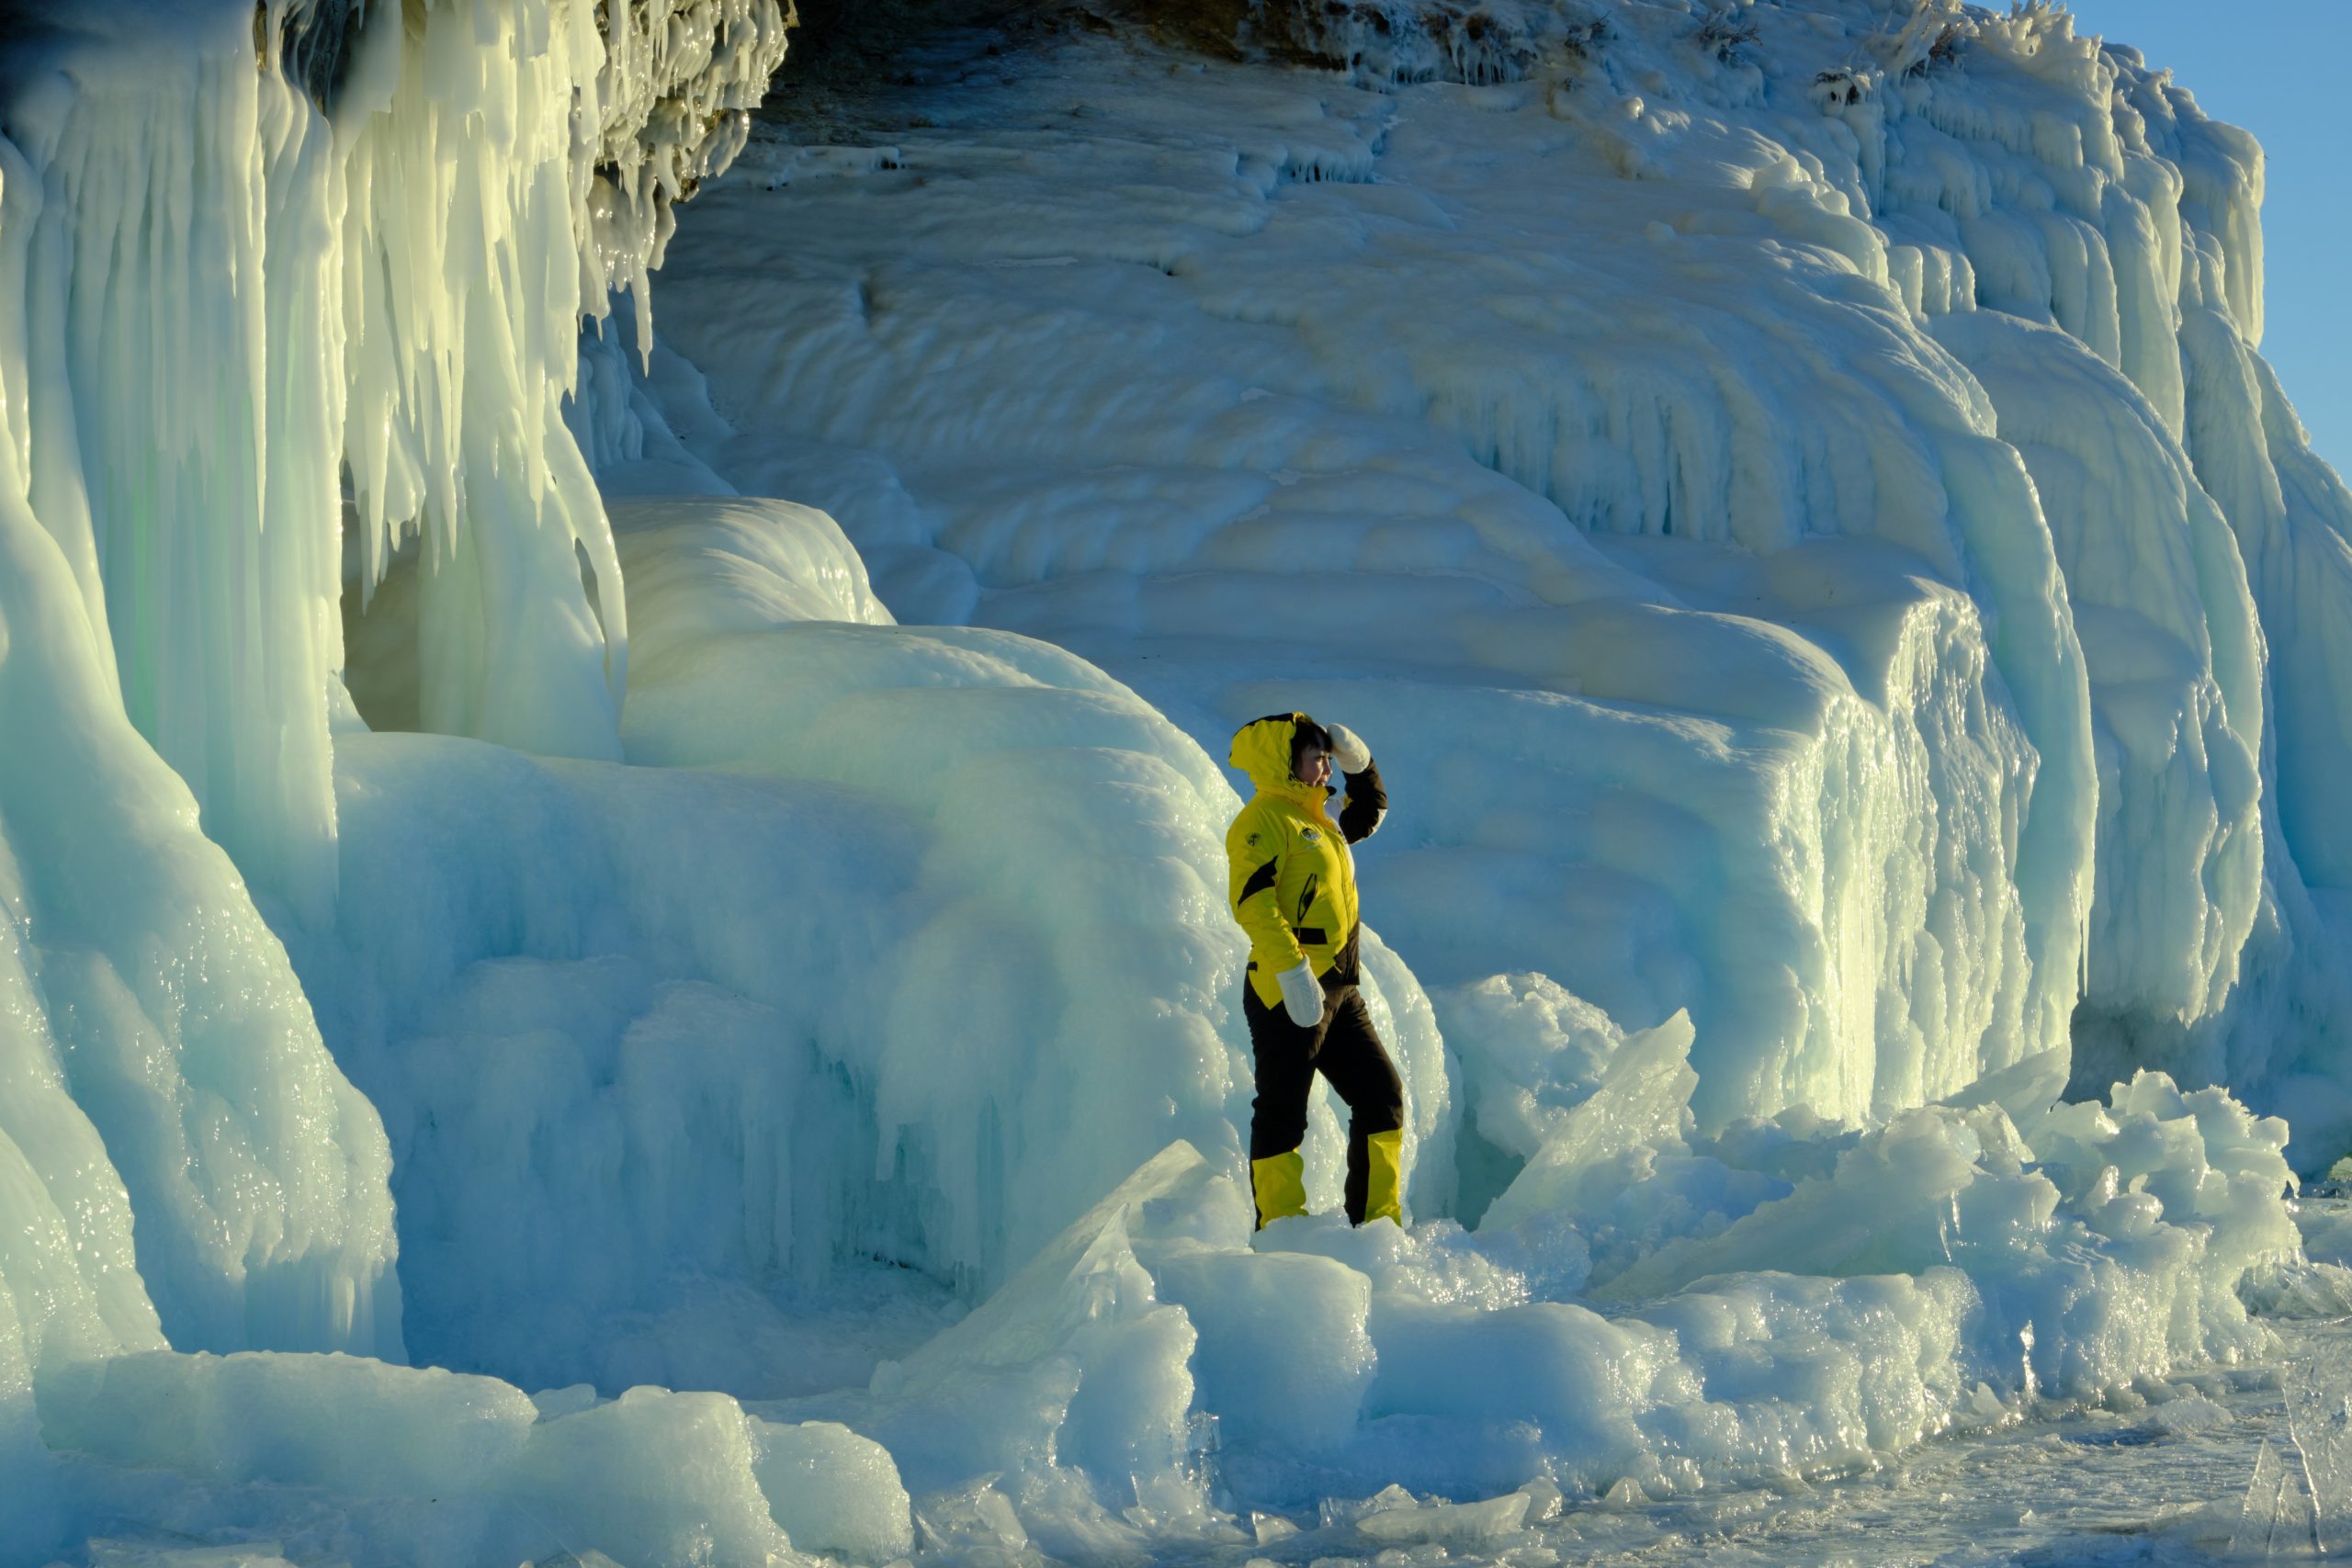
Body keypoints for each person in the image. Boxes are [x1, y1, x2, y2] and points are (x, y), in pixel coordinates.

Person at [1225, 712, 1406, 1230]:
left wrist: (1362, 767)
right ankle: (1279, 1230)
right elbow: (1252, 904)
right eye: (1316, 756)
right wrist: (1291, 971)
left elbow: (1370, 813)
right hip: (1288, 986)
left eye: (1327, 756)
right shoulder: (1262, 821)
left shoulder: (1320, 819)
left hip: (1341, 989)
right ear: (1286, 763)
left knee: (1381, 1095)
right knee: (1283, 1110)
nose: (1325, 765)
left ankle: (1376, 1226)